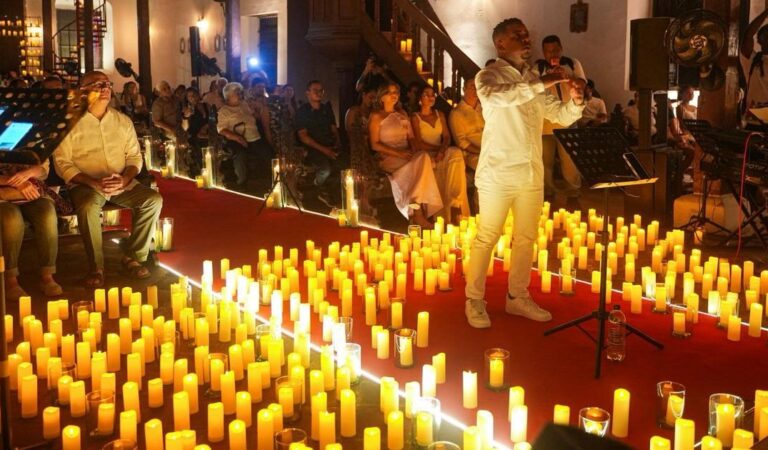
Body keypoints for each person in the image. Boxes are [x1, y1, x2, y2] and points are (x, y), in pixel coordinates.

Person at [464, 18, 584, 328]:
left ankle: (517, 296)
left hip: (531, 171)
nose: (526, 38)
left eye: (527, 34)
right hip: (498, 172)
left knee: (526, 237)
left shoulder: (533, 76)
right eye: (518, 34)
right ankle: (474, 299)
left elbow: (559, 116)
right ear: (501, 43)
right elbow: (503, 96)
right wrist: (543, 83)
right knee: (487, 237)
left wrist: (576, 100)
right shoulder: (487, 76)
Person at [54, 71, 163, 288]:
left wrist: (125, 179)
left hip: (119, 181)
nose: (104, 88)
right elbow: (62, 163)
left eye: (106, 84)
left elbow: (134, 157)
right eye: (96, 85)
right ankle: (96, 266)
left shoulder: (122, 120)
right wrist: (93, 183)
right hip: (85, 183)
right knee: (87, 206)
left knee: (152, 200)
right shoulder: (70, 122)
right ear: (82, 91)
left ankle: (134, 256)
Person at [368, 82, 442, 227]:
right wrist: (399, 153)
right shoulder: (377, 116)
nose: (394, 95)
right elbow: (374, 144)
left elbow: (412, 138)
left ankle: (415, 206)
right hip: (389, 156)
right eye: (390, 92)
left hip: (406, 154)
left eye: (396, 92)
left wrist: (414, 151)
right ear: (382, 97)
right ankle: (419, 214)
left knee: (424, 158)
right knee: (422, 165)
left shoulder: (402, 114)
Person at [0, 163, 63, 299]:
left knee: (47, 214)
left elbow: (43, 169)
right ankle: (10, 279)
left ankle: (47, 275)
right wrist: (14, 181)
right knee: (12, 219)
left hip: (31, 188)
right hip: (3, 193)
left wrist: (27, 174)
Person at [411, 85, 469, 224]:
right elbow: (418, 142)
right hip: (426, 153)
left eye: (432, 94)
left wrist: (442, 150)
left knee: (456, 153)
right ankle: (443, 214)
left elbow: (447, 137)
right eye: (426, 94)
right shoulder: (415, 117)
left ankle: (456, 203)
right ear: (420, 98)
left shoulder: (439, 114)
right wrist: (437, 150)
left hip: (441, 150)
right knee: (433, 162)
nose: (431, 97)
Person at [536, 34, 585, 198]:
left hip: (569, 118)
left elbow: (582, 84)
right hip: (546, 122)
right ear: (543, 53)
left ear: (561, 48)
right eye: (548, 51)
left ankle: (573, 192)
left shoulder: (572, 63)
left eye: (555, 50)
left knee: (570, 158)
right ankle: (548, 191)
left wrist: (567, 77)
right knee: (545, 160)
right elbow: (534, 87)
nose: (552, 54)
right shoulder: (538, 67)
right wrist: (548, 77)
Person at [296, 80, 344, 207]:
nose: (318, 93)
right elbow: (303, 137)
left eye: (321, 90)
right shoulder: (302, 112)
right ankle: (319, 188)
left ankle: (331, 191)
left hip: (329, 144)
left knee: (345, 167)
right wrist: (324, 150)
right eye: (315, 90)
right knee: (325, 169)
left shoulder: (326, 109)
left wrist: (338, 142)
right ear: (308, 93)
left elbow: (333, 128)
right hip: (313, 148)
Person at [216, 82, 268, 188]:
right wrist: (238, 138)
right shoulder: (224, 111)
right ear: (229, 96)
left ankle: (272, 180)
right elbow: (221, 129)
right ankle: (242, 181)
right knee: (240, 154)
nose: (240, 94)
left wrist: (256, 110)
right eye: (237, 93)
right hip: (237, 139)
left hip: (255, 137)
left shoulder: (244, 104)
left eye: (240, 92)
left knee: (267, 153)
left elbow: (256, 117)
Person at [449, 77, 484, 171]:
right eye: (472, 86)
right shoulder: (456, 113)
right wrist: (481, 152)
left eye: (477, 86)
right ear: (464, 89)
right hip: (472, 154)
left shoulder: (484, 109)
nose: (476, 90)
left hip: (491, 148)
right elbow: (461, 142)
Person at [741, 9, 768, 122]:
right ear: (760, 40)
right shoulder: (753, 60)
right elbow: (748, 35)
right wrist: (766, 13)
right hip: (754, 121)